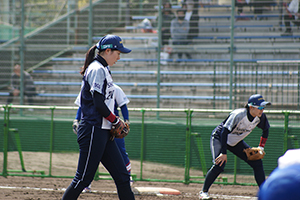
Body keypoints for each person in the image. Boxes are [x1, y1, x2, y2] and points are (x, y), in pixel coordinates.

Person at [61, 34, 135, 200]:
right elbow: (98, 104)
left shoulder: (104, 70)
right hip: (93, 130)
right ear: (108, 51)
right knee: (82, 179)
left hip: (103, 131)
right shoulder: (97, 69)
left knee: (123, 177)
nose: (119, 57)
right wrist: (116, 120)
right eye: (118, 53)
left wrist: (113, 123)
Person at [199, 94, 271, 200]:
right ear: (251, 107)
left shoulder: (260, 118)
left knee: (257, 163)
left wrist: (261, 147)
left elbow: (266, 130)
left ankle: (266, 194)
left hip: (235, 141)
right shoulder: (238, 114)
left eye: (263, 107)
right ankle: (203, 192)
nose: (262, 110)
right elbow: (224, 132)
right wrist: (223, 153)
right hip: (220, 137)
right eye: (260, 107)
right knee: (219, 164)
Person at [72, 83, 133, 193]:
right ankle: (86, 182)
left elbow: (123, 105)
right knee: (90, 158)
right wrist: (76, 119)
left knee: (121, 153)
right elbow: (82, 105)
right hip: (96, 127)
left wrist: (126, 120)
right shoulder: (89, 88)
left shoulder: (115, 88)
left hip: (113, 128)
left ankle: (128, 179)